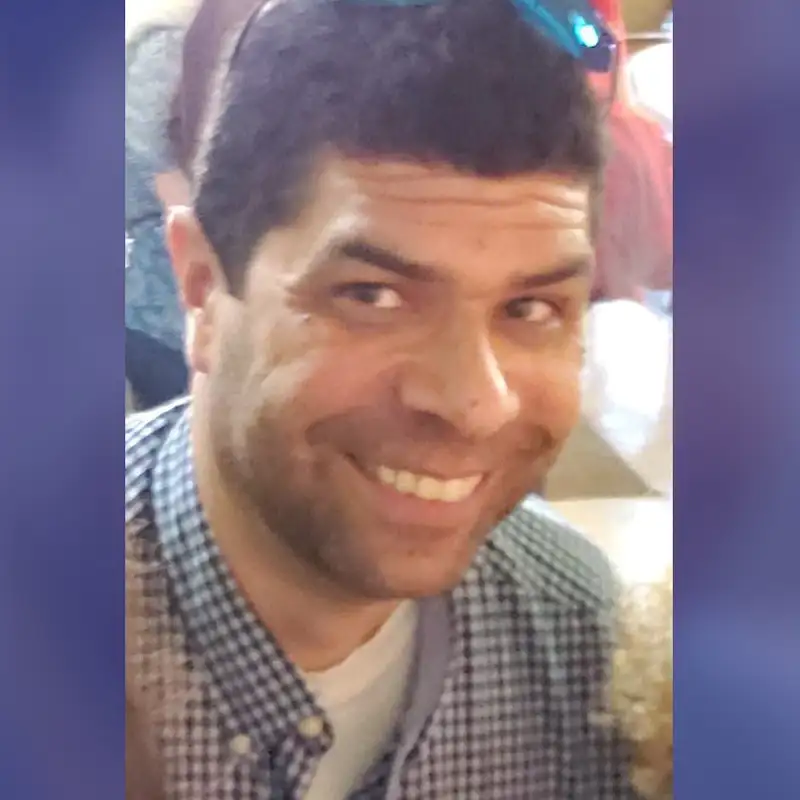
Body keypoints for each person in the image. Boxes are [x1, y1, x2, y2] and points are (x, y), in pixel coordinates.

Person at [126, 0, 638, 797]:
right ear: (200, 288)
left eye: (531, 309)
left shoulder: (585, 650)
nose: (475, 404)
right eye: (371, 295)